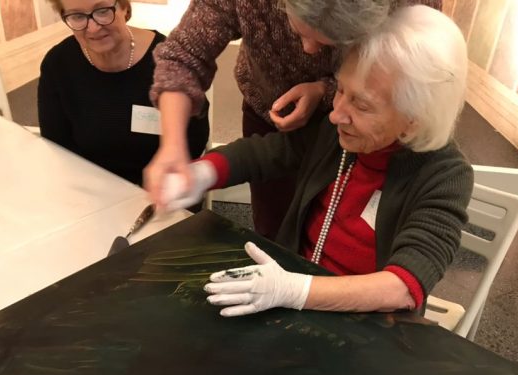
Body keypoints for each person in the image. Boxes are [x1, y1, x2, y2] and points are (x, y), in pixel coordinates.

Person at [160, 5, 473, 317]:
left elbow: (402, 287)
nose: (336, 114)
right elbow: (263, 154)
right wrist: (200, 174)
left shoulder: (445, 176)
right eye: (340, 90)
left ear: (413, 121)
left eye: (362, 105)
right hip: (300, 299)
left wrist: (295, 290)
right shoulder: (336, 134)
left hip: (369, 324)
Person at [144, 0, 442, 239]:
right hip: (283, 121)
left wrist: (327, 91)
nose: (308, 50)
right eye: (299, 31)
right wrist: (174, 147)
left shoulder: (436, 178)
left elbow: (401, 279)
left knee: (344, 234)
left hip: (366, 136)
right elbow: (185, 55)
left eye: (333, 42)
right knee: (276, 225)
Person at [38, 0, 209, 185]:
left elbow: (194, 140)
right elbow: (58, 146)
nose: (93, 28)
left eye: (102, 11)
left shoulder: (170, 61)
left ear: (124, 7)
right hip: (89, 187)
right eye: (77, 16)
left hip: (162, 186)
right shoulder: (58, 64)